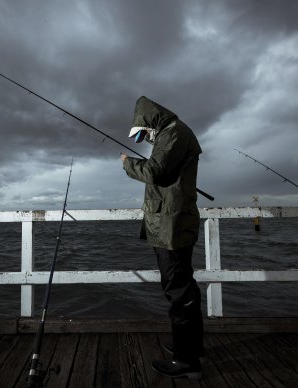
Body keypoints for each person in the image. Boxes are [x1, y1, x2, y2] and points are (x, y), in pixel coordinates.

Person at [121, 96, 204, 379]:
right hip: (170, 224)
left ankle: (186, 361)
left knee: (178, 291)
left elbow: (155, 171)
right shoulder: (171, 134)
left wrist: (127, 163)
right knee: (184, 288)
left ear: (150, 121)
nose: (143, 138)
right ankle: (190, 347)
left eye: (142, 133)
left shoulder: (174, 132)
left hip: (172, 226)